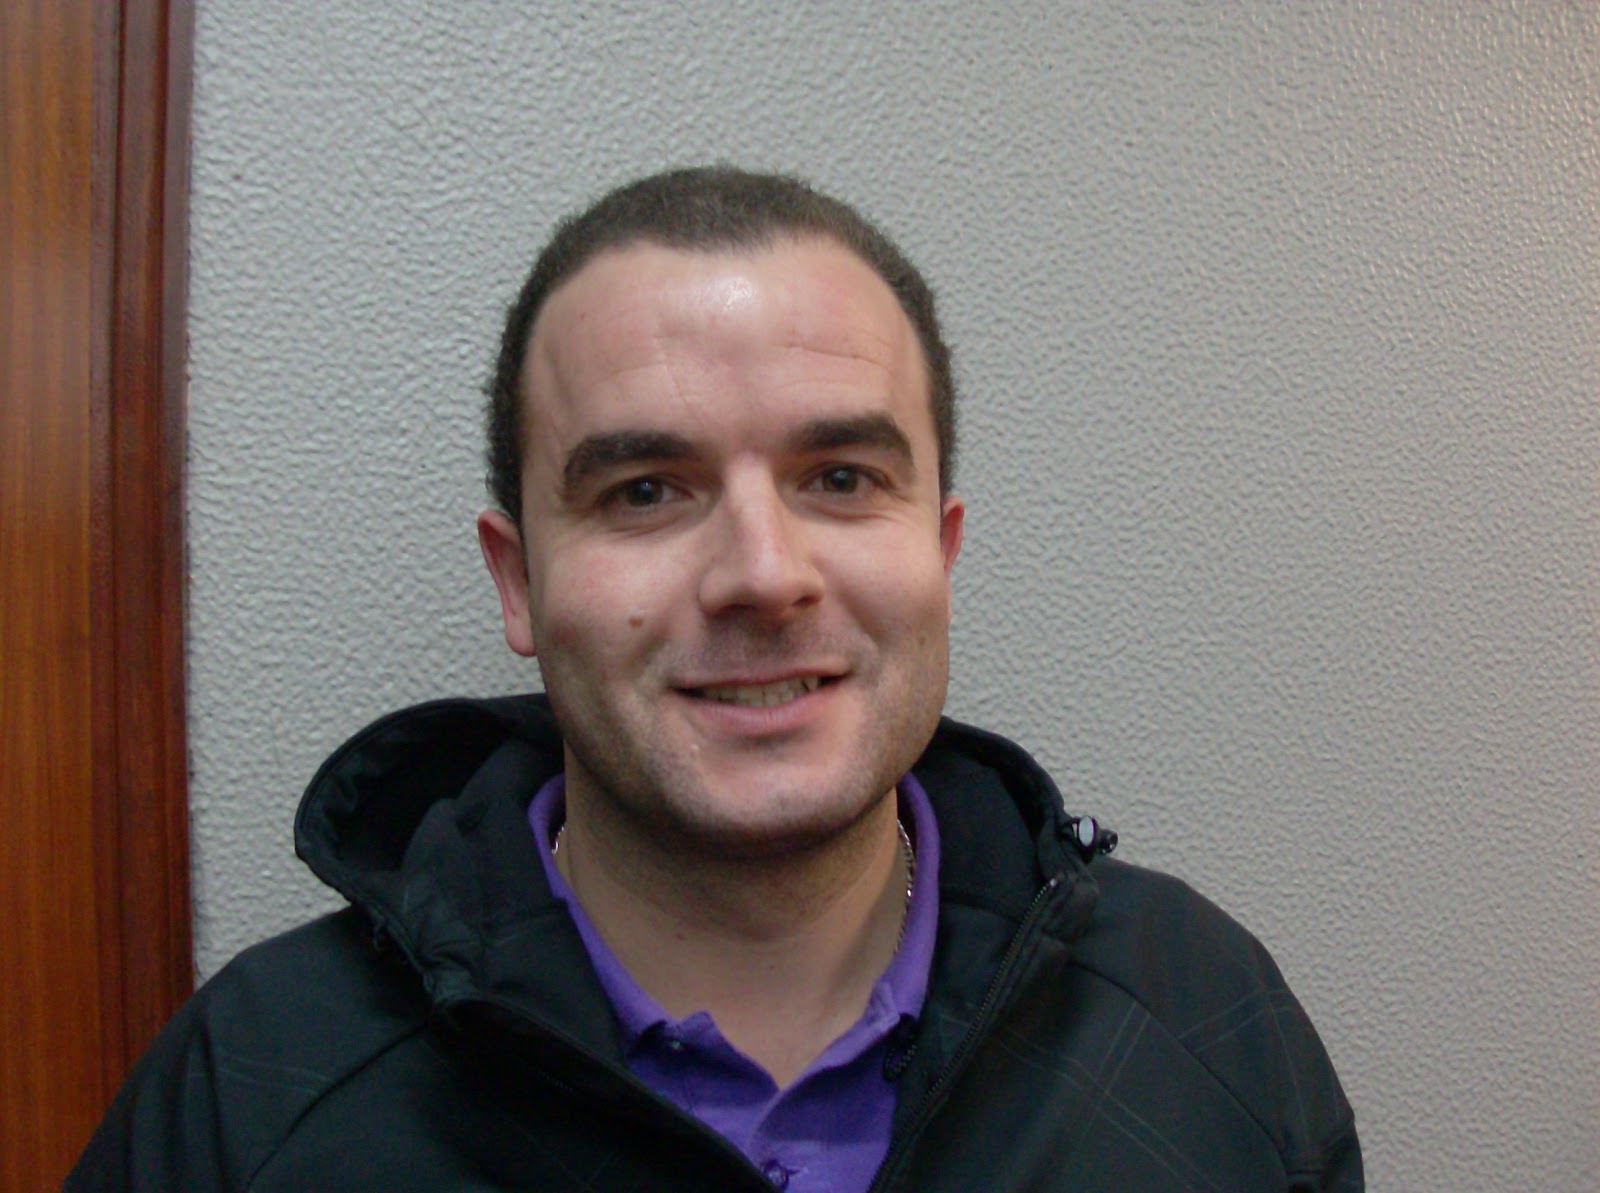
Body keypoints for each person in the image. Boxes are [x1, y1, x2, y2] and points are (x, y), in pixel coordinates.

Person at [70, 166, 1361, 1191]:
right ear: (519, 584)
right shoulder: (257, 1090)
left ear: (940, 552)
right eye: (646, 490)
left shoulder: (1199, 1016)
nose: (762, 573)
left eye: (840, 478)